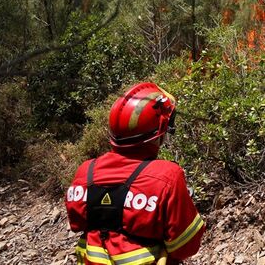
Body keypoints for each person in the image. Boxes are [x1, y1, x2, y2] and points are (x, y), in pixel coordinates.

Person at [65, 82, 205, 265]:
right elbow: (186, 246)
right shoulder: (167, 176)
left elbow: (76, 224)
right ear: (159, 131)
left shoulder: (85, 171)